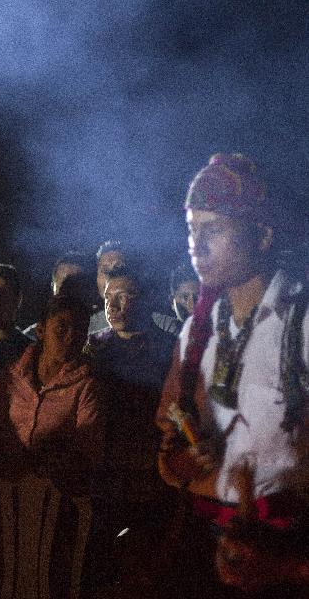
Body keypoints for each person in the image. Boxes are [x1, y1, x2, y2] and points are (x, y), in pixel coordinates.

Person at [156, 153, 309, 596]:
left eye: (214, 230)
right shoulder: (195, 333)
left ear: (261, 235)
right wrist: (180, 464)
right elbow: (169, 449)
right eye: (191, 230)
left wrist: (288, 562)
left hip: (284, 548)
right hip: (203, 543)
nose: (196, 247)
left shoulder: (300, 324)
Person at [85, 267, 178, 596]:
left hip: (154, 477)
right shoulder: (94, 351)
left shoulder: (169, 349)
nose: (115, 305)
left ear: (146, 300)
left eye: (125, 296)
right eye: (109, 297)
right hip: (107, 477)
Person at [0, 293, 103, 489]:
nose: (71, 337)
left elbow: (87, 452)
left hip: (56, 495)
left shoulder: (85, 386)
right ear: (40, 331)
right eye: (62, 327)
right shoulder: (11, 377)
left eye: (80, 330)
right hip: (1, 488)